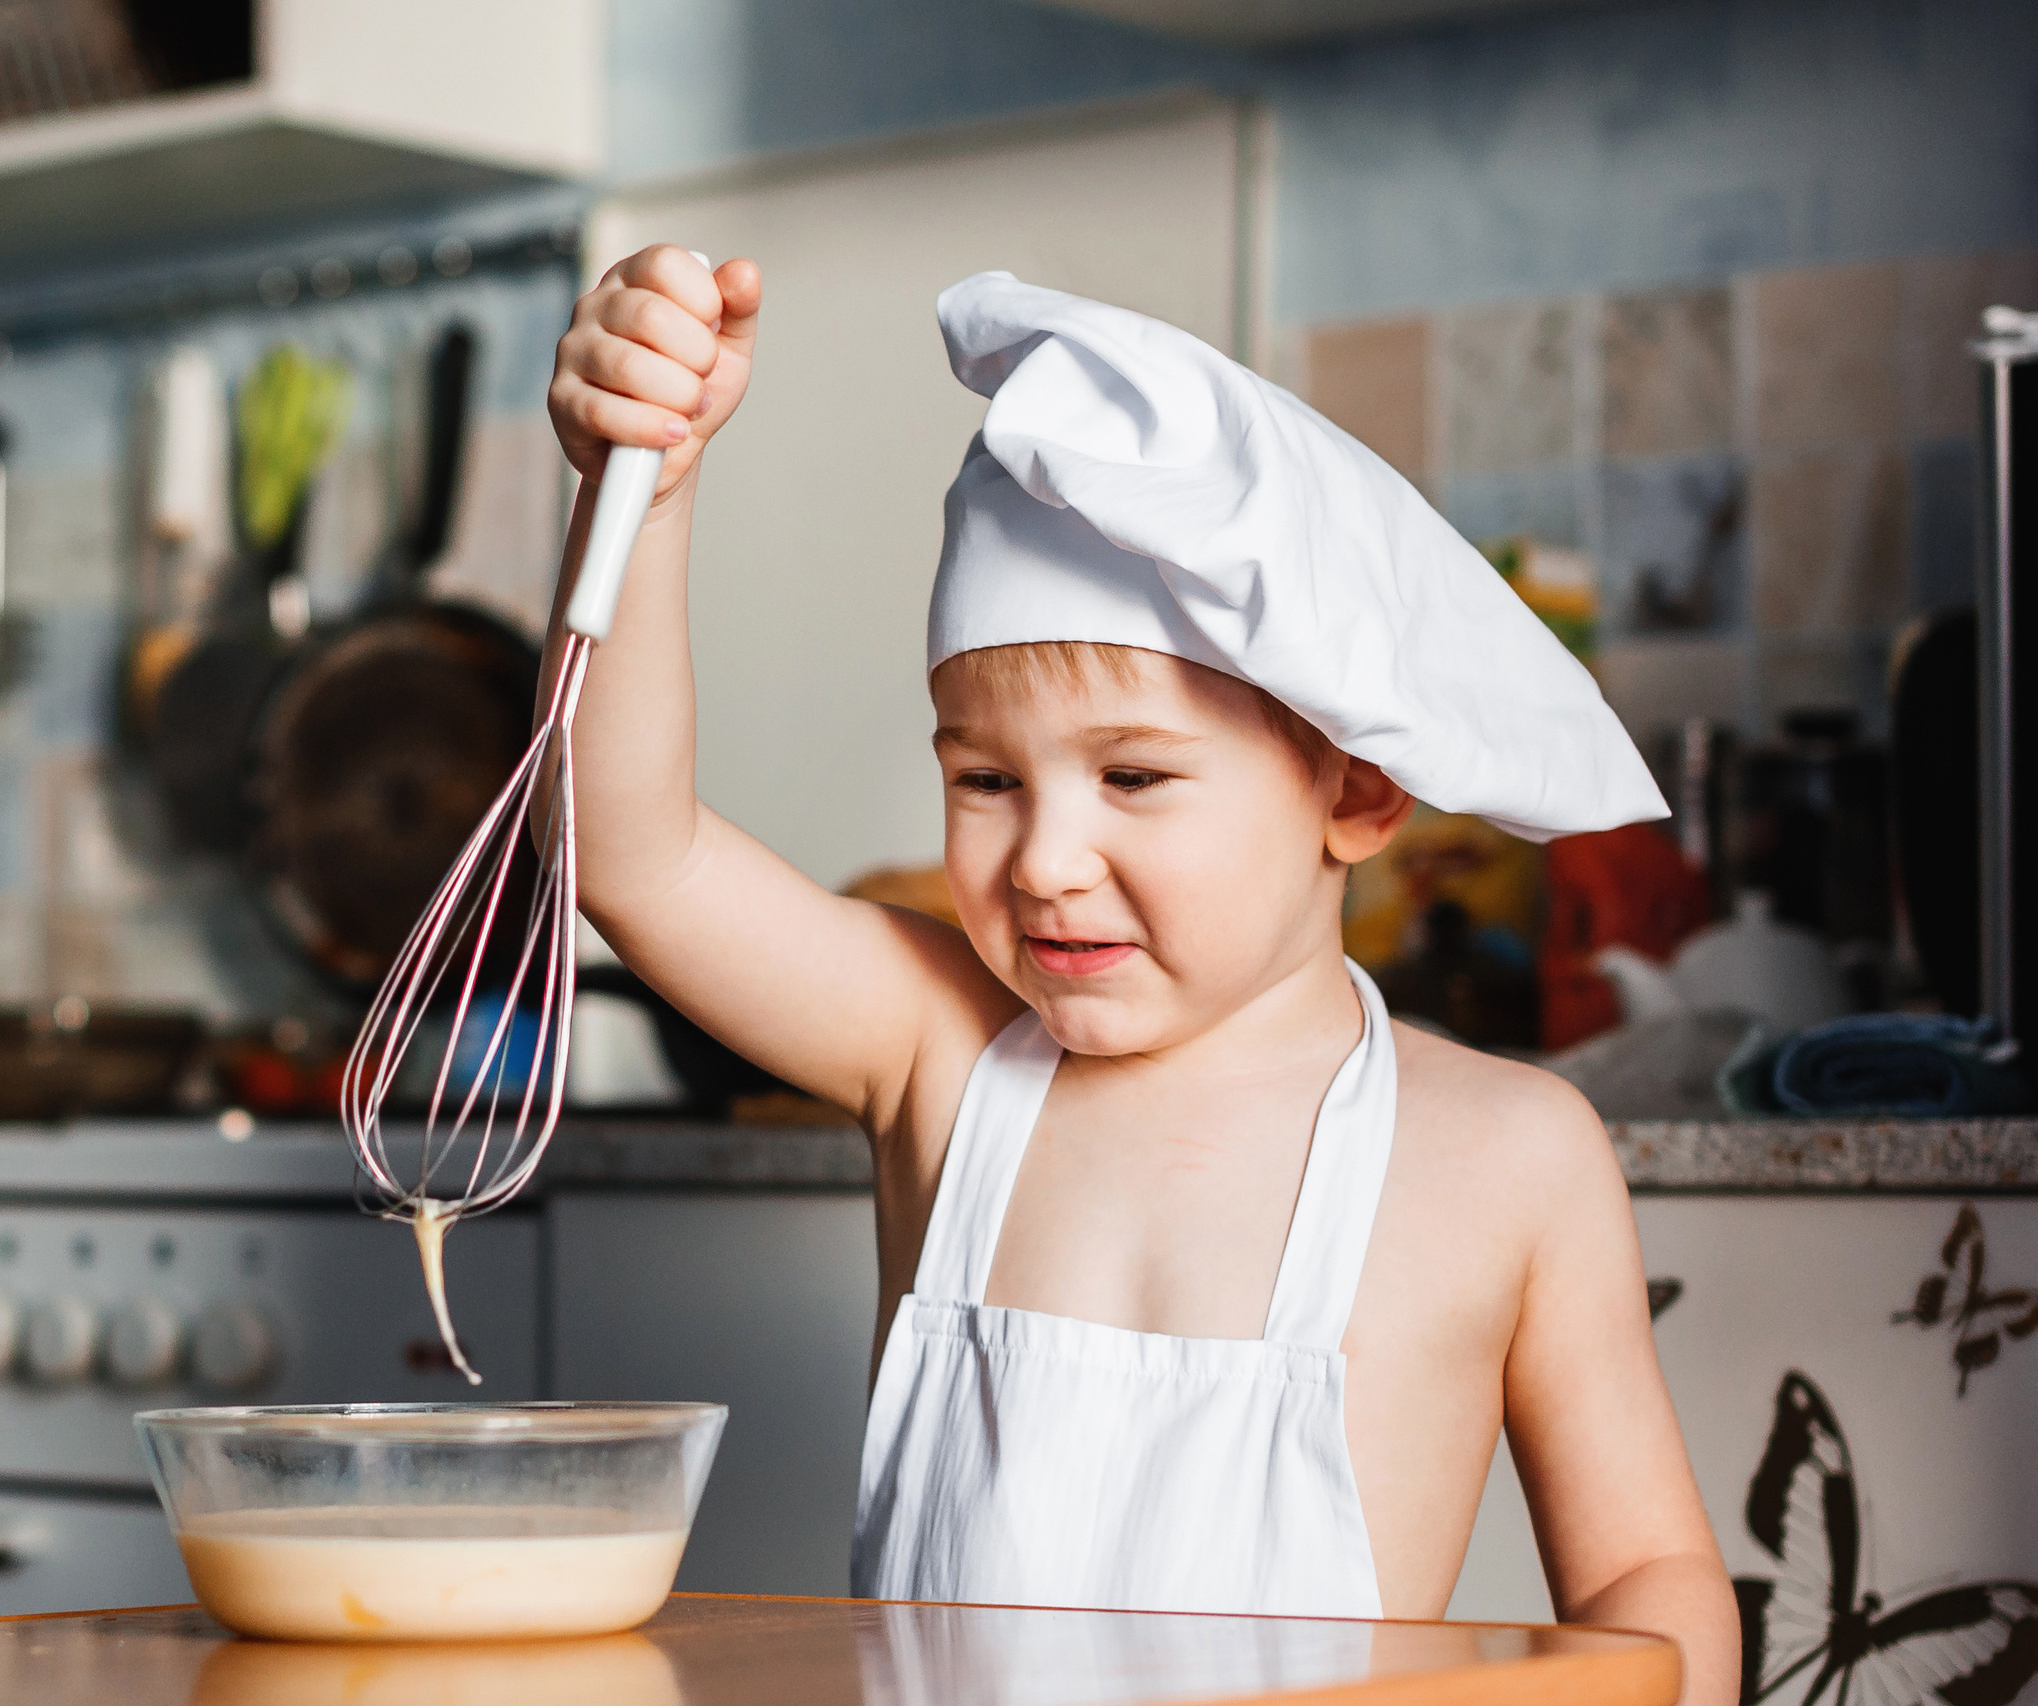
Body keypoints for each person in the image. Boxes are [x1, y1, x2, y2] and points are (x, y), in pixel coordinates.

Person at [545, 245, 1736, 1702]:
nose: (1044, 857)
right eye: (986, 778)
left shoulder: (1507, 1154)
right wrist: (639, 495)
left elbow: (1641, 1576)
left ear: (1356, 794)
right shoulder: (940, 1057)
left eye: (1133, 775)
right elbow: (630, 851)